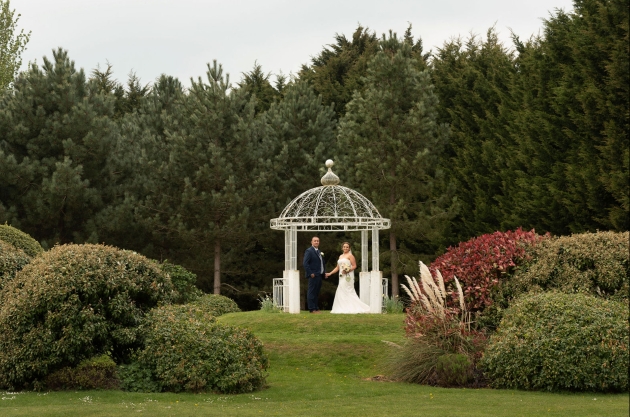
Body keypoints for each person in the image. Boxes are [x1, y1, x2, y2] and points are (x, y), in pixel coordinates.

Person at [326, 242, 370, 314]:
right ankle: (342, 306)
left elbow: (354, 265)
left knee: (348, 290)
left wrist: (348, 270)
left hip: (348, 275)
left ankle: (352, 307)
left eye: (347, 247)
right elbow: (337, 267)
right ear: (342, 248)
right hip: (341, 275)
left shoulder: (350, 256)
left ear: (349, 248)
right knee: (341, 289)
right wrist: (330, 273)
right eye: (344, 247)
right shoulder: (340, 256)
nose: (345, 248)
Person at [303, 236, 326, 313]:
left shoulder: (319, 252)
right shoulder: (309, 251)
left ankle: (316, 308)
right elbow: (305, 263)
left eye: (317, 241)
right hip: (313, 275)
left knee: (316, 292)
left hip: (319, 275)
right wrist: (310, 273)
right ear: (311, 242)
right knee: (311, 292)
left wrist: (323, 272)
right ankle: (312, 308)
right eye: (315, 241)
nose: (316, 242)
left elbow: (322, 264)